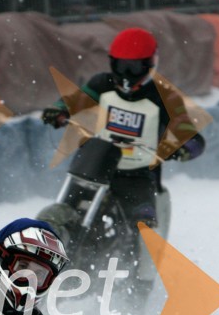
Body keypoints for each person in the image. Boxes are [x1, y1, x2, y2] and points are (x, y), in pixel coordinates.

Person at [40, 27, 205, 294]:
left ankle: (137, 291)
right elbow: (74, 101)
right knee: (62, 211)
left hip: (138, 176)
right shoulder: (101, 84)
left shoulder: (164, 97)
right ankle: (42, 259)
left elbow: (195, 141)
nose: (127, 75)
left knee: (145, 234)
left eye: (134, 67)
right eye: (121, 66)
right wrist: (58, 111)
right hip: (96, 166)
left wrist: (181, 148)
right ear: (112, 63)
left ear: (151, 64)